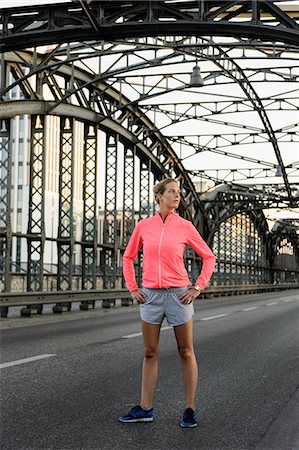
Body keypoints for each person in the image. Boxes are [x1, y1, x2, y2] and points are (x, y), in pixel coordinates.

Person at [119, 178, 216, 428]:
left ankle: (190, 409)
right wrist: (133, 288)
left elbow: (208, 256)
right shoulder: (144, 226)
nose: (177, 196)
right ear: (159, 196)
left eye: (179, 193)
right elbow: (128, 257)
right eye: (171, 192)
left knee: (186, 351)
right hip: (150, 296)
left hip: (179, 295)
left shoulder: (184, 226)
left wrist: (198, 287)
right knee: (149, 353)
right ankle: (145, 408)